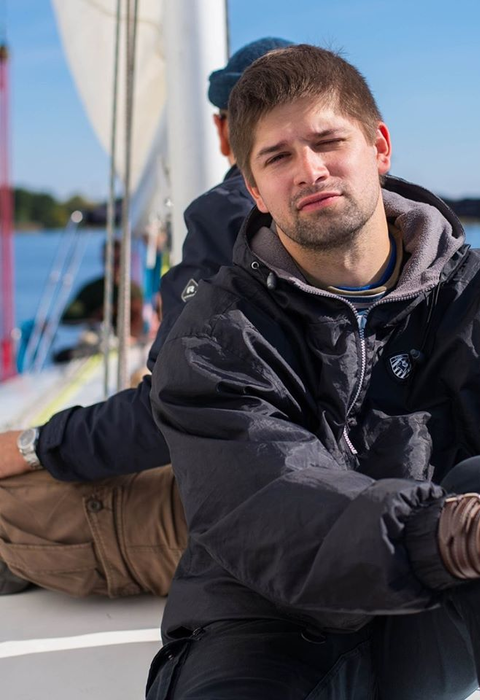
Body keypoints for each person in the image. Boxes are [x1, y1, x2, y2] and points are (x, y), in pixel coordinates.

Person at [146, 45, 480, 700]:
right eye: (278, 157)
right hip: (267, 621)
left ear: (379, 147)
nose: (310, 170)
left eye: (328, 142)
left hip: (428, 615)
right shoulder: (216, 335)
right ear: (254, 190)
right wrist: (463, 534)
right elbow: (274, 501)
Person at [0, 37, 292, 598]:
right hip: (360, 508)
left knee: (12, 503)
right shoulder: (401, 220)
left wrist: (32, 445)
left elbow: (171, 411)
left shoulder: (232, 213)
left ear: (223, 129)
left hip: (264, 534)